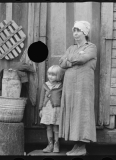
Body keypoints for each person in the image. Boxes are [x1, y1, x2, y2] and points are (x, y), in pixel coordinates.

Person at [58, 21, 97, 156]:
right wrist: (72, 58)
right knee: (72, 111)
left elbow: (83, 59)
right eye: (74, 30)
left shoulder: (91, 47)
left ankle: (83, 145)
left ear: (85, 32)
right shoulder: (71, 48)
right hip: (70, 86)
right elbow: (61, 62)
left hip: (83, 85)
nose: (75, 33)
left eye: (78, 30)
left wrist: (70, 59)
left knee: (82, 111)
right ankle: (76, 144)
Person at [38, 65, 65, 153]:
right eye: (49, 74)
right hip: (46, 109)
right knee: (48, 127)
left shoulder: (61, 86)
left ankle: (56, 145)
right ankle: (50, 145)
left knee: (55, 128)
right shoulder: (45, 85)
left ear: (59, 76)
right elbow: (41, 98)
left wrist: (63, 110)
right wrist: (40, 109)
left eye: (53, 75)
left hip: (56, 109)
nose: (50, 76)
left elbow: (63, 99)